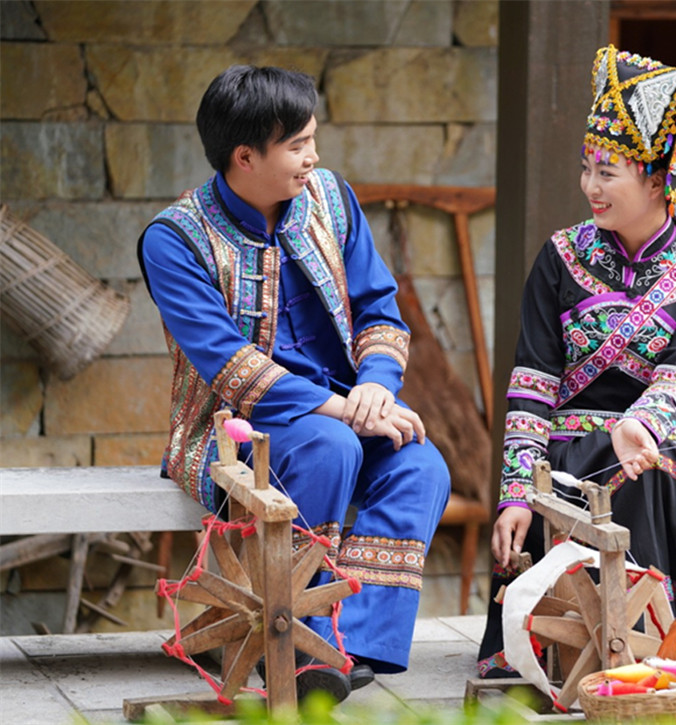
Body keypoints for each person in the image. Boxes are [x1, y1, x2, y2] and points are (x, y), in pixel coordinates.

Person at [138, 65, 451, 703]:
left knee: (421, 464)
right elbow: (227, 364)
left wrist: (376, 386)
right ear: (245, 156)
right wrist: (342, 408)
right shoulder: (174, 241)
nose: (314, 157)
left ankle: (347, 647)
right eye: (298, 145)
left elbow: (380, 310)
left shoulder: (332, 199)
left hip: (348, 408)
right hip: (231, 431)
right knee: (329, 447)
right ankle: (302, 647)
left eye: (313, 140)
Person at [476, 46, 676, 684]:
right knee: (615, 483)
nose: (590, 186)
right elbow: (531, 384)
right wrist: (514, 494)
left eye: (607, 172)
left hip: (657, 441)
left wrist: (638, 425)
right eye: (587, 169)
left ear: (659, 180)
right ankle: (613, 645)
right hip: (566, 449)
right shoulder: (559, 256)